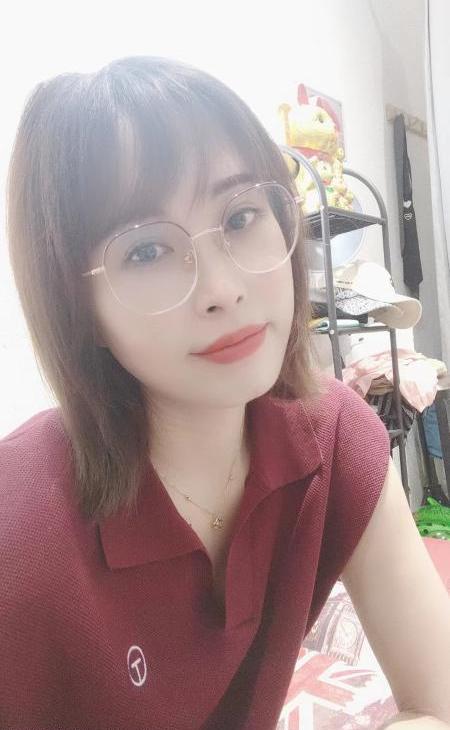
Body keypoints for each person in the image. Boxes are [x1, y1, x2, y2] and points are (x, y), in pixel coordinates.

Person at [1, 56, 449, 730]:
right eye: (146, 251)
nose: (222, 289)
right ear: (77, 305)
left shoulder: (333, 433)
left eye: (240, 216)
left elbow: (436, 700)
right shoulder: (19, 534)